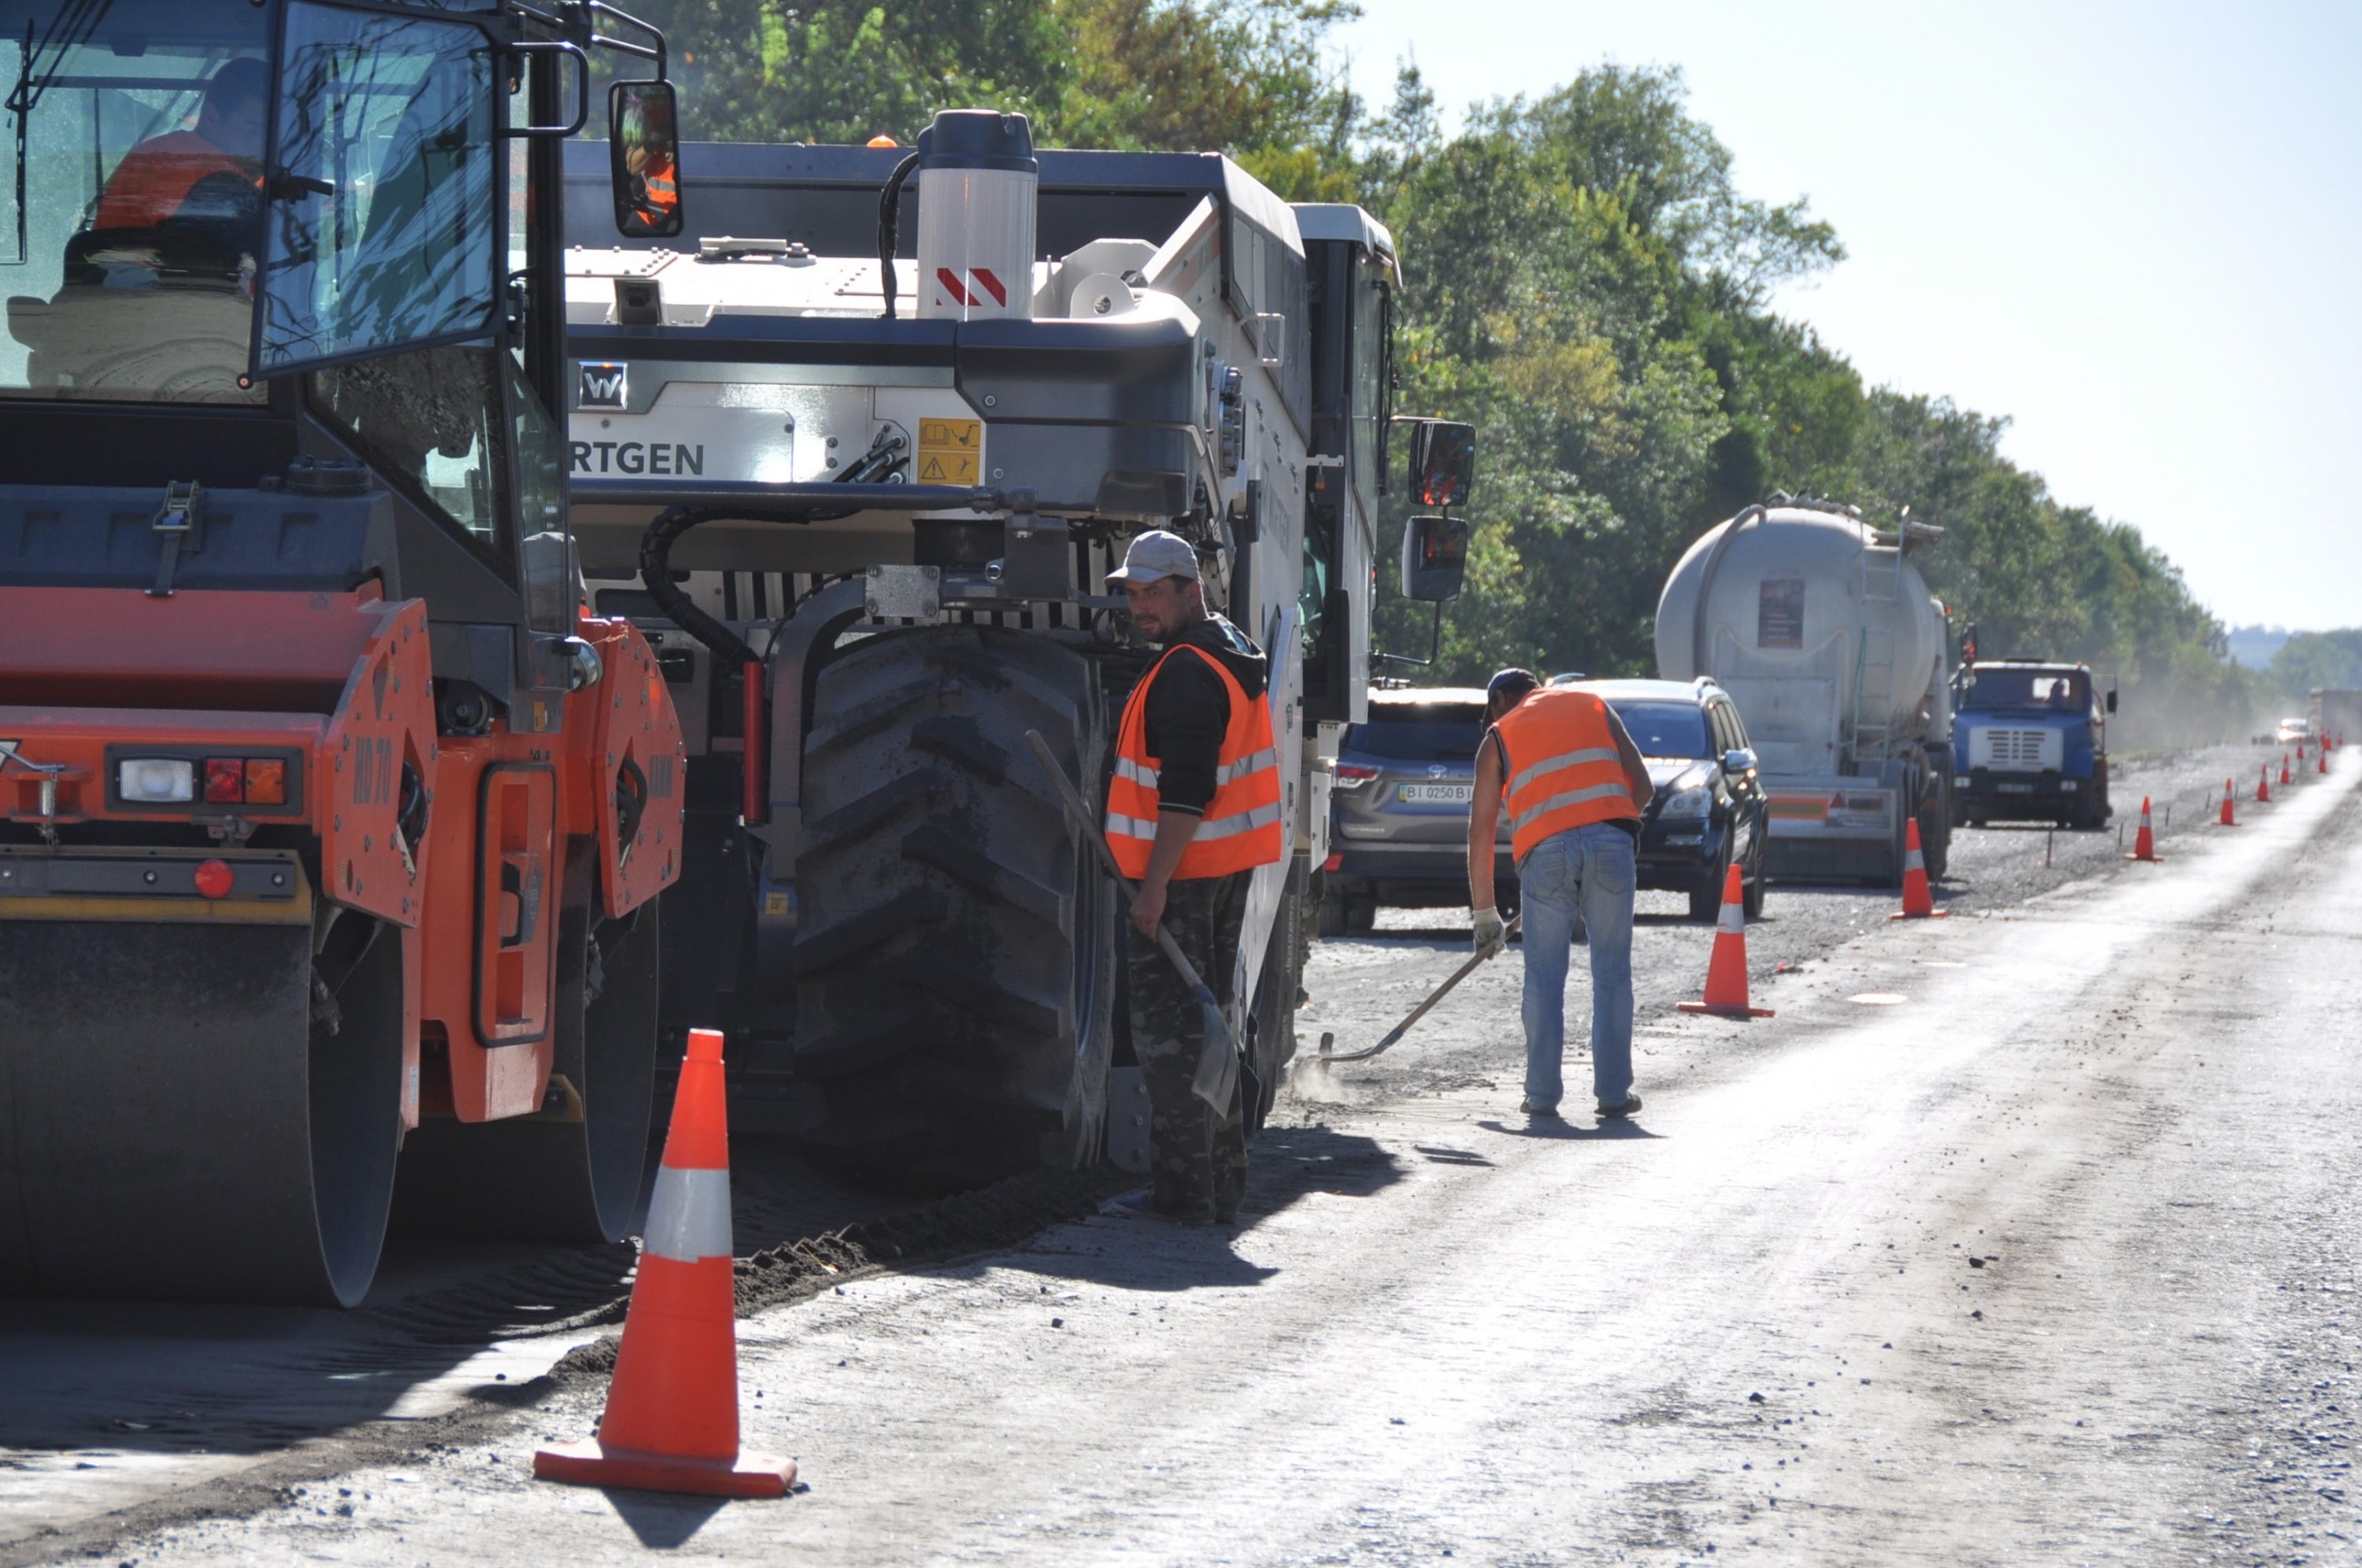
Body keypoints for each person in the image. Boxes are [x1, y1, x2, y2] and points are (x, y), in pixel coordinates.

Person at [1102, 530, 1283, 1224]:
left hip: (1180, 878)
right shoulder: (1228, 649)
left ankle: (1184, 1197)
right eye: (1132, 594)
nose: (1140, 607)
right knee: (1211, 1030)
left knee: (1172, 1040)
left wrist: (1153, 889)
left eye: (1153, 593)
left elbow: (1186, 792)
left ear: (1191, 589)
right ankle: (1219, 1188)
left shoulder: (1185, 671)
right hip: (1218, 870)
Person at [1466, 668, 1656, 1122]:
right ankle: (1613, 1094)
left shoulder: (1498, 737)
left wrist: (1485, 913)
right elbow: (1644, 787)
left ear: (1501, 699)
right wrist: (1608, 829)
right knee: (1612, 974)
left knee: (1544, 979)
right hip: (1612, 844)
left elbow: (1481, 830)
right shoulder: (1593, 706)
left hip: (1545, 855)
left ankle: (1542, 1096)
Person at [93, 57, 268, 237]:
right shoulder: (183, 166)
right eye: (252, 131)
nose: (264, 146)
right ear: (212, 118)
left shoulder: (163, 154)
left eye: (272, 135)